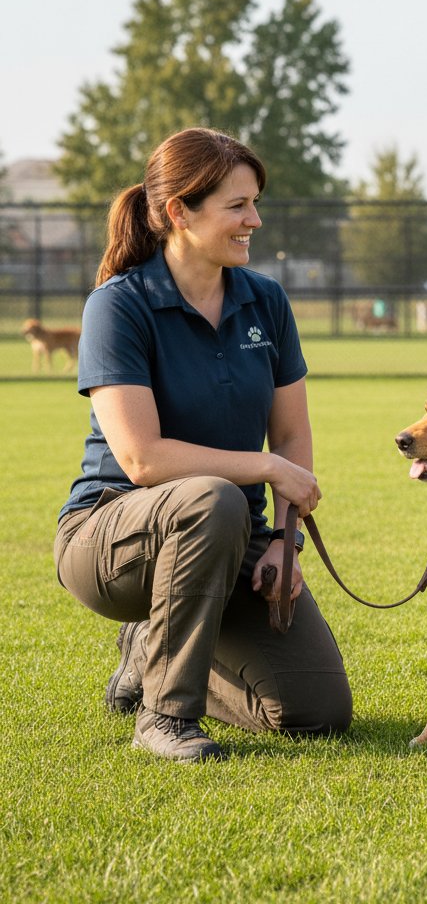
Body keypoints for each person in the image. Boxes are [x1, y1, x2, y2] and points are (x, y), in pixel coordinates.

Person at [54, 127, 352, 762]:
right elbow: (142, 459)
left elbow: (292, 431)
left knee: (315, 711)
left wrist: (283, 539)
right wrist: (266, 468)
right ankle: (165, 717)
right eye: (237, 206)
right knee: (213, 499)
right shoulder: (118, 306)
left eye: (254, 202)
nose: (256, 220)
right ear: (178, 212)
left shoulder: (265, 300)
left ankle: (157, 649)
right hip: (110, 535)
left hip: (227, 535)